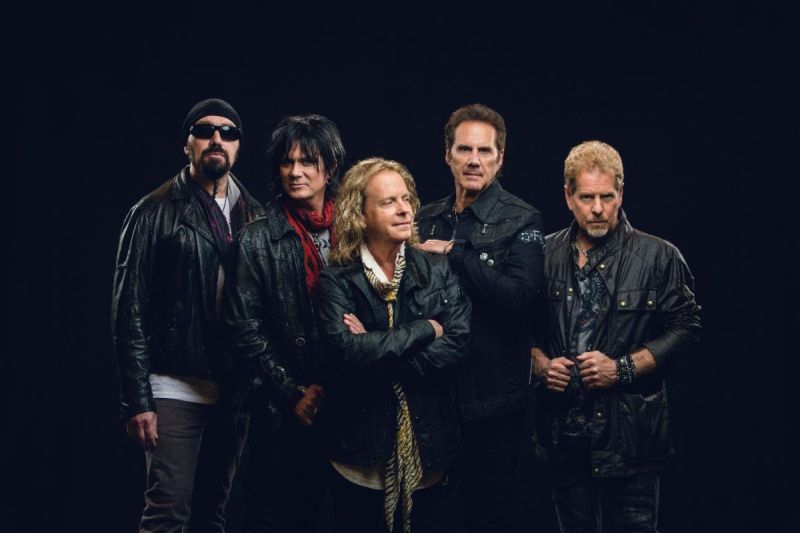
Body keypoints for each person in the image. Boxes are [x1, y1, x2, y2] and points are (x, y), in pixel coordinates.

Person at [530, 140, 701, 532]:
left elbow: (687, 328)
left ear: (621, 193)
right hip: (563, 435)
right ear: (568, 196)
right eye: (586, 197)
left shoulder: (659, 256)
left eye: (607, 197)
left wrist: (622, 369)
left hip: (632, 440)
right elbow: (516, 329)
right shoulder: (542, 256)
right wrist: (539, 364)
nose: (597, 208)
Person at [111, 98, 265, 532]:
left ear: (238, 146)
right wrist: (138, 401)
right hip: (174, 385)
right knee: (168, 513)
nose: (217, 139)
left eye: (228, 132)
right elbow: (128, 309)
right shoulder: (153, 211)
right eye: (204, 130)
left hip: (232, 389)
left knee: (211, 516)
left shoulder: (256, 215)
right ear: (187, 144)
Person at [316, 158, 472, 533]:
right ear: (360, 214)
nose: (404, 209)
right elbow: (345, 353)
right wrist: (424, 329)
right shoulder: (337, 280)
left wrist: (375, 349)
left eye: (406, 199)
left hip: (428, 449)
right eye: (388, 202)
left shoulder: (436, 269)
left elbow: (458, 344)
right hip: (359, 456)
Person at [415, 103, 545, 532]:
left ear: (500, 158)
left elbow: (519, 298)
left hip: (493, 405)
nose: (474, 160)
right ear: (447, 154)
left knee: (484, 521)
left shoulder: (523, 219)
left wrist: (455, 255)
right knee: (424, 518)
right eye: (465, 149)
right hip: (432, 400)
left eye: (485, 151)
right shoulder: (425, 218)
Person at [223, 114, 345, 532]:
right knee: (272, 518)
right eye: (287, 162)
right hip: (279, 409)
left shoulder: (354, 229)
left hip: (347, 401)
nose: (295, 172)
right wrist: (293, 391)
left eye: (308, 161)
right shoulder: (257, 238)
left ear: (330, 167)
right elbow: (244, 327)